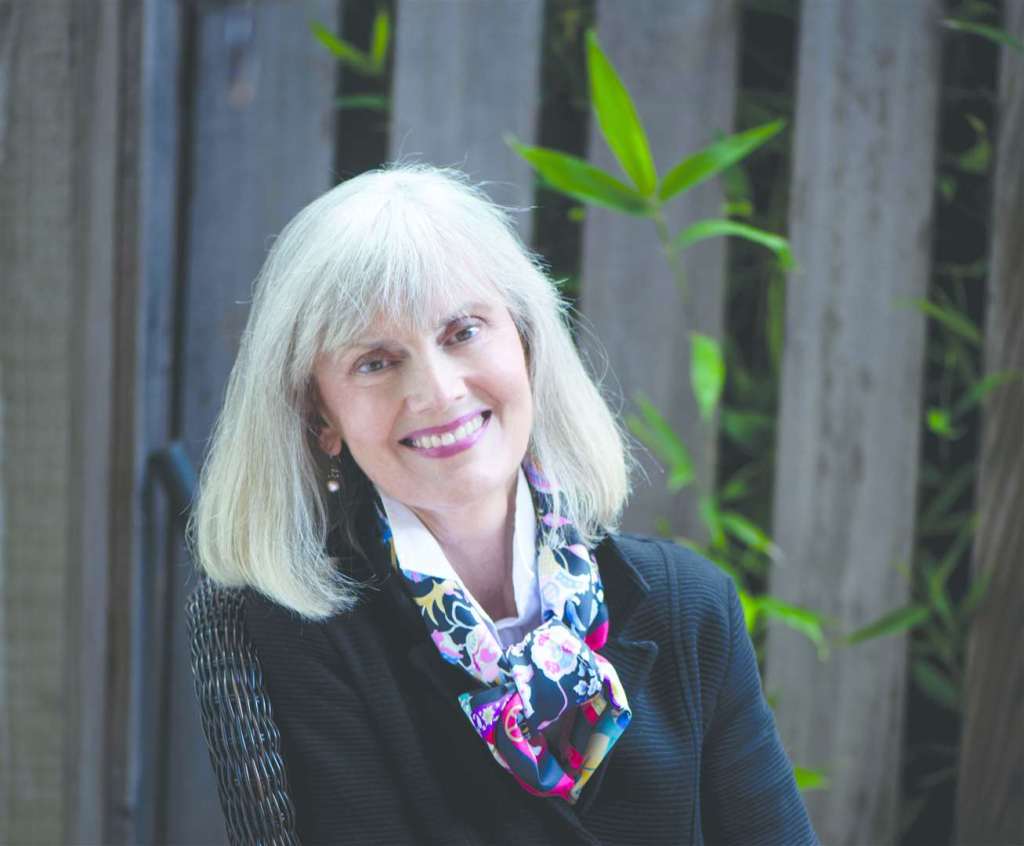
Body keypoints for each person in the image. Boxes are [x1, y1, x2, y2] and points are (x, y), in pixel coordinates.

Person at [191, 163, 819, 845]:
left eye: (463, 332)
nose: (438, 391)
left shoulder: (691, 608)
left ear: (525, 341)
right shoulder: (306, 638)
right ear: (321, 418)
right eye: (376, 362)